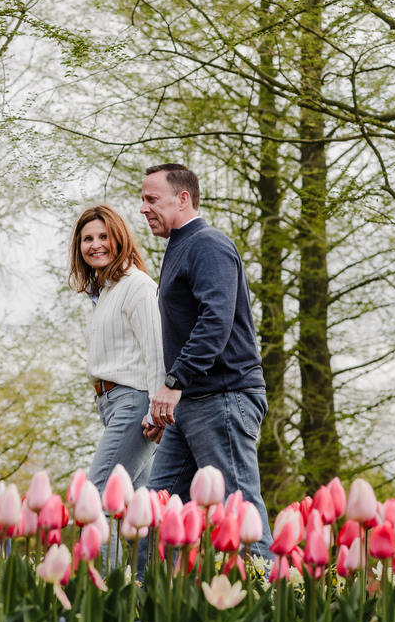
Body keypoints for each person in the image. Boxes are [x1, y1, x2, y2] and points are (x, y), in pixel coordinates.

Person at [140, 163, 273, 557]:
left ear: (183, 198)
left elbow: (215, 320)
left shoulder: (207, 244)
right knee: (156, 514)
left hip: (224, 398)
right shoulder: (180, 247)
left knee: (240, 514)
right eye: (142, 200)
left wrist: (174, 382)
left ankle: (272, 610)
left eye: (152, 199)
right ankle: (146, 611)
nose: (144, 208)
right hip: (193, 404)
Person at [69, 205, 163, 544]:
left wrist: (157, 410)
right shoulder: (104, 293)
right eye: (87, 239)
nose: (95, 245)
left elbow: (156, 351)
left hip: (135, 403)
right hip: (111, 404)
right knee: (143, 505)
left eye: (103, 236)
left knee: (95, 499)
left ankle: (100, 591)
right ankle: (142, 590)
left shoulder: (137, 285)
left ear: (119, 238)